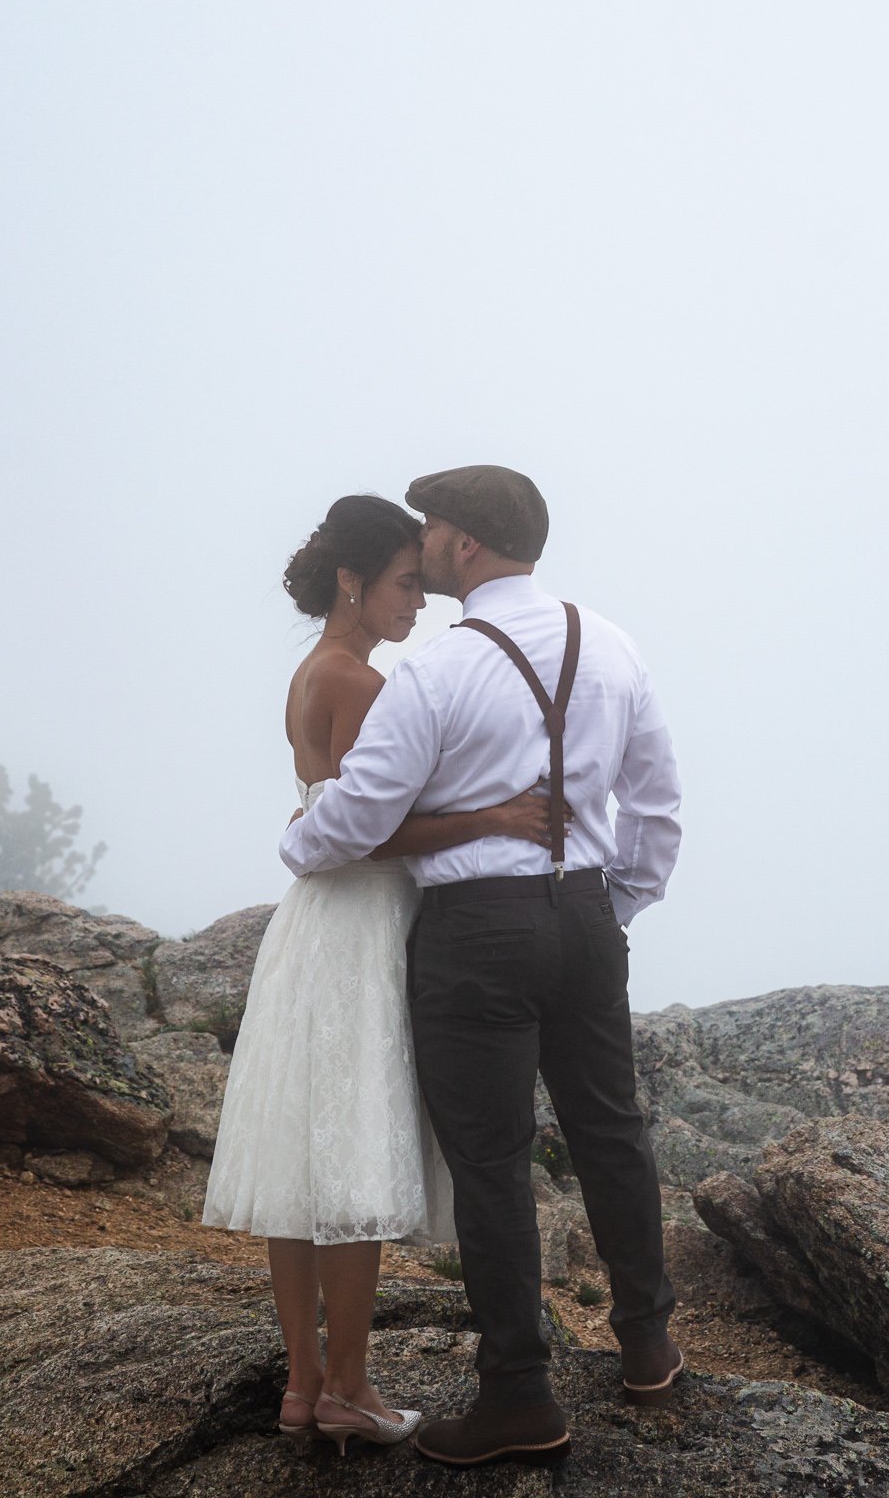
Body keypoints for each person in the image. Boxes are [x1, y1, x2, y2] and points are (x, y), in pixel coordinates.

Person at [281, 464, 683, 1467]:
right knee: (610, 1131)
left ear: (463, 545)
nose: (422, 552)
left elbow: (360, 814)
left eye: (431, 536)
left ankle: (518, 1395)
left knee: (494, 1164)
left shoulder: (436, 669)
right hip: (586, 913)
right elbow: (658, 806)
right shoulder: (612, 642)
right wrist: (606, 905)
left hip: (473, 929)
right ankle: (648, 1344)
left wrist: (298, 841)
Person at [202, 493, 566, 1453]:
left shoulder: (309, 673)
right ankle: (351, 1386)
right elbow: (373, 834)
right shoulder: (359, 682)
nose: (421, 602)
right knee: (350, 1151)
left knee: (300, 1162)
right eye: (407, 585)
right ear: (353, 584)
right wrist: (496, 819)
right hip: (360, 928)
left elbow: (330, 818)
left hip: (312, 927)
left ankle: (303, 1384)